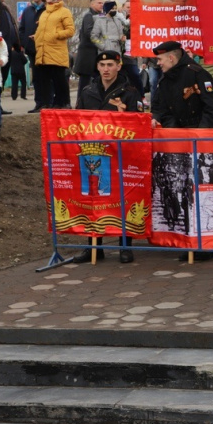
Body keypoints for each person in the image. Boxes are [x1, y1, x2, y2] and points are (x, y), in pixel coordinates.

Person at [74, 49, 143, 264]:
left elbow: (135, 123)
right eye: (102, 66)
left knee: (123, 198)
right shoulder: (87, 91)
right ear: (97, 68)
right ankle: (94, 247)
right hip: (94, 153)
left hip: (120, 153)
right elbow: (78, 120)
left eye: (110, 65)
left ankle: (125, 245)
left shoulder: (129, 92)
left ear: (119, 66)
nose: (106, 69)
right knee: (93, 198)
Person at [150, 40, 213, 128]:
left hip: (200, 132)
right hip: (177, 135)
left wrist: (201, 134)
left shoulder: (198, 74)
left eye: (160, 59)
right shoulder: (164, 80)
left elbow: (211, 109)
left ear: (171, 58)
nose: (158, 63)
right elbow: (161, 109)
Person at [32, 0, 75, 110]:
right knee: (44, 80)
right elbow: (42, 30)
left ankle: (65, 102)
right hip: (43, 51)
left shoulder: (64, 11)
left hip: (56, 50)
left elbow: (70, 30)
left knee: (59, 79)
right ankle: (48, 103)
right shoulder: (44, 13)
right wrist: (37, 37)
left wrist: (56, 35)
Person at [18, 0, 45, 111]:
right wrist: (25, 43)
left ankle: (47, 103)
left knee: (46, 77)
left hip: (45, 49)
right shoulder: (27, 10)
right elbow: (22, 29)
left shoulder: (46, 10)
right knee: (37, 78)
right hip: (32, 50)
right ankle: (38, 103)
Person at [74, 0, 105, 93]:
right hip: (87, 56)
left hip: (94, 55)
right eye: (99, 3)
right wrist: (102, 41)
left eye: (102, 3)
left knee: (96, 82)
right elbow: (88, 33)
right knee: (85, 83)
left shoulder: (100, 16)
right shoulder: (89, 16)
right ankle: (81, 104)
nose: (101, 5)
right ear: (92, 4)